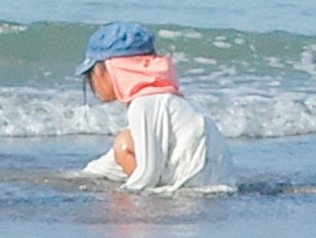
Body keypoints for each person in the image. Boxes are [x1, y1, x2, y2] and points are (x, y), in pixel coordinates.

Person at [71, 23, 234, 195]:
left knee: (123, 145)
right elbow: (108, 165)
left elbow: (147, 176)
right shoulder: (166, 100)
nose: (90, 82)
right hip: (216, 187)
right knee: (124, 141)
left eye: (90, 74)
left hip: (196, 195)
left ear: (106, 70)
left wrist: (121, 198)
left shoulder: (145, 104)